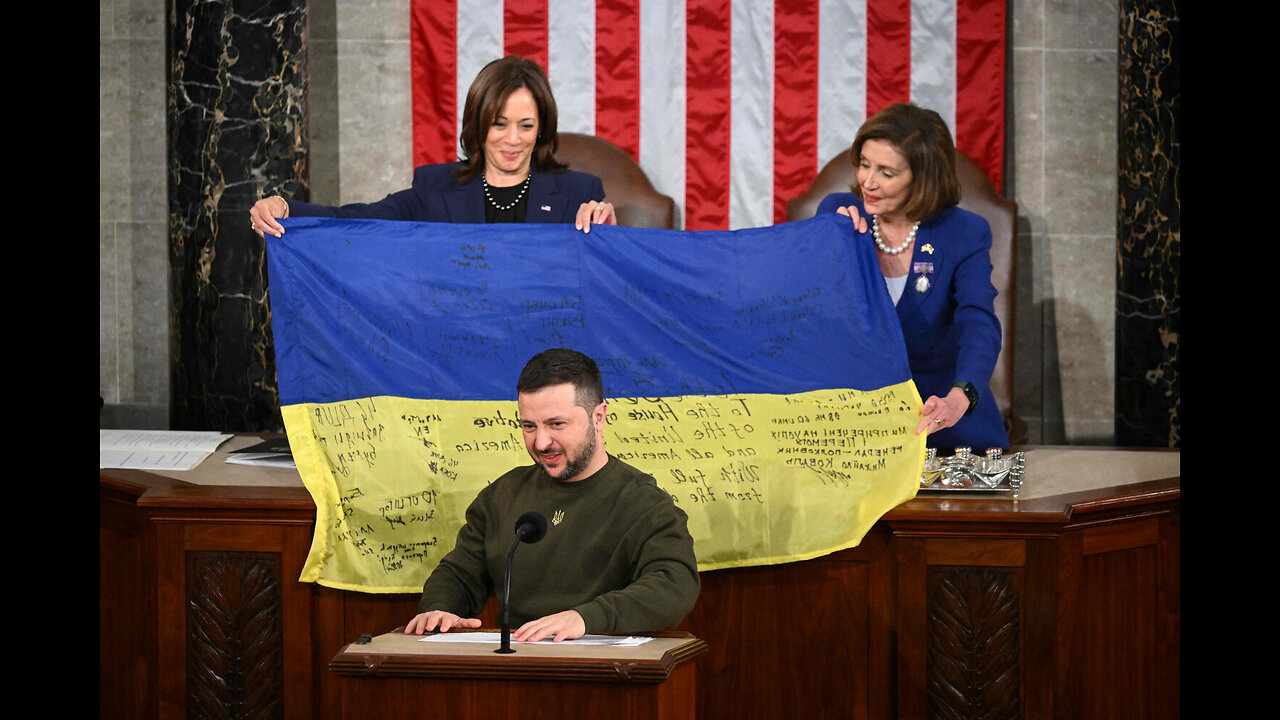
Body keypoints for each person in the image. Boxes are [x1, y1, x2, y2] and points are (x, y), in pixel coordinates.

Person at [403, 348, 700, 642]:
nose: (542, 442)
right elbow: (459, 574)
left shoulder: (644, 503)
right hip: (513, 667)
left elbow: (674, 584)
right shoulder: (501, 496)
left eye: (557, 424)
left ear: (599, 417)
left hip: (605, 673)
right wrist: (439, 610)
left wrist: (585, 618)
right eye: (529, 426)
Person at [817, 103, 1009, 452]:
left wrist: (959, 395)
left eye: (887, 173)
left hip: (938, 420)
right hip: (853, 426)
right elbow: (814, 310)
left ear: (923, 177)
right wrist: (832, 241)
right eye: (864, 164)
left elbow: (978, 322)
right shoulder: (837, 214)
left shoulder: (962, 232)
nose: (868, 182)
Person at [249, 56, 617, 237]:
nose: (512, 139)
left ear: (542, 130)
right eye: (498, 123)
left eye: (526, 126)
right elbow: (357, 220)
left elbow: (614, 284)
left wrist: (610, 236)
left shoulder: (581, 193)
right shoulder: (434, 187)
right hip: (458, 353)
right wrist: (286, 209)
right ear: (478, 124)